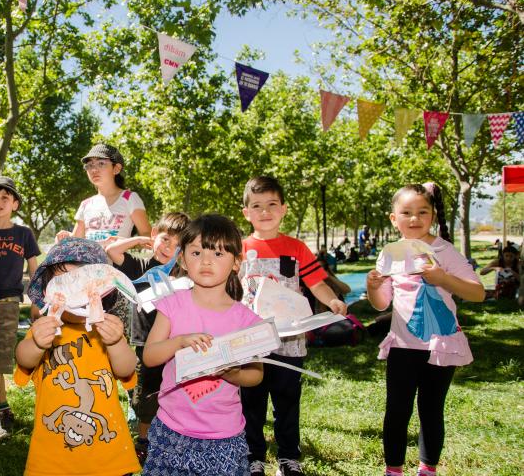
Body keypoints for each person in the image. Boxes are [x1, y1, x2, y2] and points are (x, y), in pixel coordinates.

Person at [366, 183, 484, 476]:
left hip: (438, 347)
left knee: (431, 410)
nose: (414, 218)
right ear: (394, 218)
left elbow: (478, 293)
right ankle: (393, 469)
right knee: (396, 410)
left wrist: (442, 277)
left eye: (422, 212)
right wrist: (373, 288)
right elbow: (382, 305)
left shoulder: (445, 251)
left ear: (433, 215)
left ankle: (427, 468)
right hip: (403, 346)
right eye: (406, 212)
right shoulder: (391, 253)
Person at [239, 176, 348, 476]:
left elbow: (316, 284)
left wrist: (333, 301)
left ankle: (288, 457)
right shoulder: (238, 249)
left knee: (287, 400)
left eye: (272, 204)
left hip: (290, 340)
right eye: (257, 206)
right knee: (251, 402)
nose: (265, 212)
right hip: (251, 341)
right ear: (246, 213)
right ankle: (253, 457)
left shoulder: (297, 248)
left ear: (284, 209)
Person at [140, 214, 264, 475]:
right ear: (183, 259)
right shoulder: (172, 305)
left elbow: (256, 374)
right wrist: (179, 342)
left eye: (218, 254)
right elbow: (149, 356)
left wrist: (234, 374)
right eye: (196, 252)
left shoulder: (246, 319)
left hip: (224, 435)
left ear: (235, 263)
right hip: (170, 429)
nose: (206, 261)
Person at [14, 238, 141, 475]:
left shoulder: (108, 330)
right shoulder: (45, 329)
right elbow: (23, 358)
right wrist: (36, 344)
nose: (74, 291)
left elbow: (126, 369)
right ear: (47, 290)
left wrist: (115, 342)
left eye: (83, 282)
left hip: (108, 458)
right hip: (51, 457)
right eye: (63, 282)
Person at [105, 211, 190, 464]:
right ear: (154, 235)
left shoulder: (183, 273)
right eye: (165, 239)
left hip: (174, 341)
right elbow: (112, 251)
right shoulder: (141, 266)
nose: (168, 248)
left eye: (177, 245)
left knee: (174, 389)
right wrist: (139, 239)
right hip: (144, 341)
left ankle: (175, 435)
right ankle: (143, 441)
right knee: (146, 394)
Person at [0, 176, 40, 442]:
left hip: (8, 303)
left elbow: (36, 270)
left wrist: (37, 302)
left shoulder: (23, 233)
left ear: (14, 203)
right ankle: (4, 409)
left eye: (5, 198)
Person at [56, 143, 151, 244]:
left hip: (118, 260)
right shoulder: (85, 204)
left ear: (116, 168)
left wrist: (124, 243)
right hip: (88, 260)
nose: (94, 170)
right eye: (89, 165)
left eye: (101, 163)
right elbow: (76, 242)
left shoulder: (129, 198)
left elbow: (147, 236)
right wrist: (67, 237)